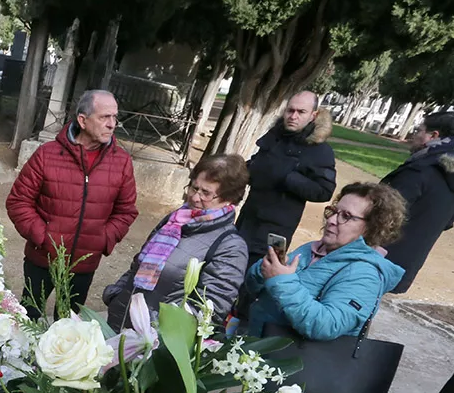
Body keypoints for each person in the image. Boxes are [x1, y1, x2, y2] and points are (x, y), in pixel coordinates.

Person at [6, 89, 138, 320]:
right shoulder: (47, 155)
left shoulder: (121, 162)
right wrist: (43, 237)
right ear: (83, 121)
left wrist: (103, 238)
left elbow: (126, 211)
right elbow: (19, 201)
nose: (112, 124)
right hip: (42, 259)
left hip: (84, 265)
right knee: (28, 319)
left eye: (115, 117)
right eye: (104, 117)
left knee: (68, 325)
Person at [102, 154, 250, 331]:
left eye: (206, 193)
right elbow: (138, 265)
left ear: (229, 199)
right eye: (194, 188)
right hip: (119, 322)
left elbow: (209, 311)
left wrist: (154, 329)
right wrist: (116, 295)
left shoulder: (230, 247)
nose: (195, 197)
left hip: (154, 340)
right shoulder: (175, 220)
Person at [241, 182, 406, 339]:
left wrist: (281, 281)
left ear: (372, 227)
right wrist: (264, 270)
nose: (331, 220)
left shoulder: (365, 274)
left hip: (291, 357)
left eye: (346, 216)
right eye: (333, 211)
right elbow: (255, 289)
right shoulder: (312, 249)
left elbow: (327, 326)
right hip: (258, 345)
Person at [382, 111, 454, 293]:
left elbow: (381, 215)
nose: (414, 135)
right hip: (407, 264)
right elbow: (449, 220)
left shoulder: (419, 170)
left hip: (378, 259)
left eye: (419, 130)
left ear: (433, 136)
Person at [236, 91, 337, 268]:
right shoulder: (275, 135)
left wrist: (288, 177)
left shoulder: (321, 150)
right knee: (229, 265)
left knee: (261, 273)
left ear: (313, 115)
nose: (293, 116)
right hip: (248, 219)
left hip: (277, 229)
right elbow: (257, 164)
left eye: (301, 112)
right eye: (290, 110)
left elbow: (324, 191)